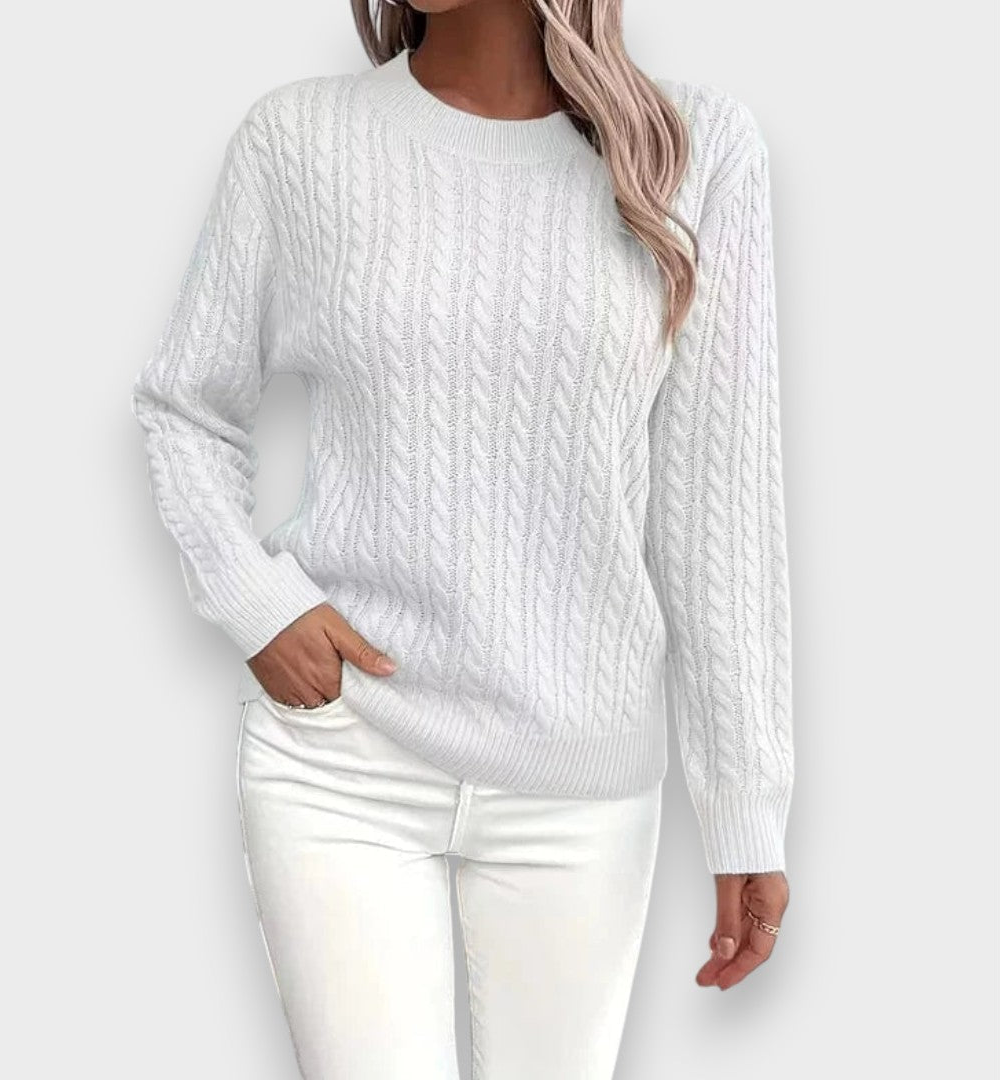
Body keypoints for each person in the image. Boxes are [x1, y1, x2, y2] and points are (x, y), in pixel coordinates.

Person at [129, 1, 794, 1076]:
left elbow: (719, 510)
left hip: (579, 776)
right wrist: (258, 605)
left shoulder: (695, 150)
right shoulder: (300, 141)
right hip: (344, 760)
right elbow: (185, 407)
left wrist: (746, 808)